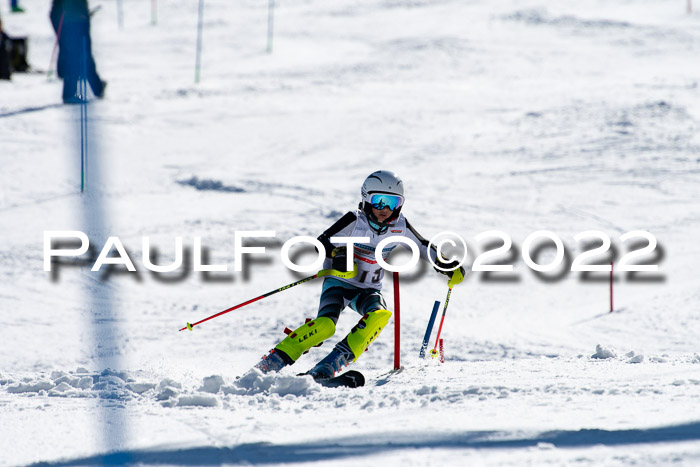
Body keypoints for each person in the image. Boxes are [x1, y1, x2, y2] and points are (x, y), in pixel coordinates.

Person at [255, 170, 465, 381]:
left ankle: (328, 366)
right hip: (339, 283)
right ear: (366, 199)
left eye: (392, 202)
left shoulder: (400, 227)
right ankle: (271, 362)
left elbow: (422, 245)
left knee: (379, 316)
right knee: (325, 327)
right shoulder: (354, 221)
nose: (384, 209)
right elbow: (321, 243)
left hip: (368, 290)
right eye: (378, 201)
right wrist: (337, 254)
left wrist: (444, 263)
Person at [50, 0, 105, 104]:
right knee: (79, 54)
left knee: (77, 53)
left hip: (71, 15)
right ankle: (71, 92)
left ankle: (96, 87)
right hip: (73, 17)